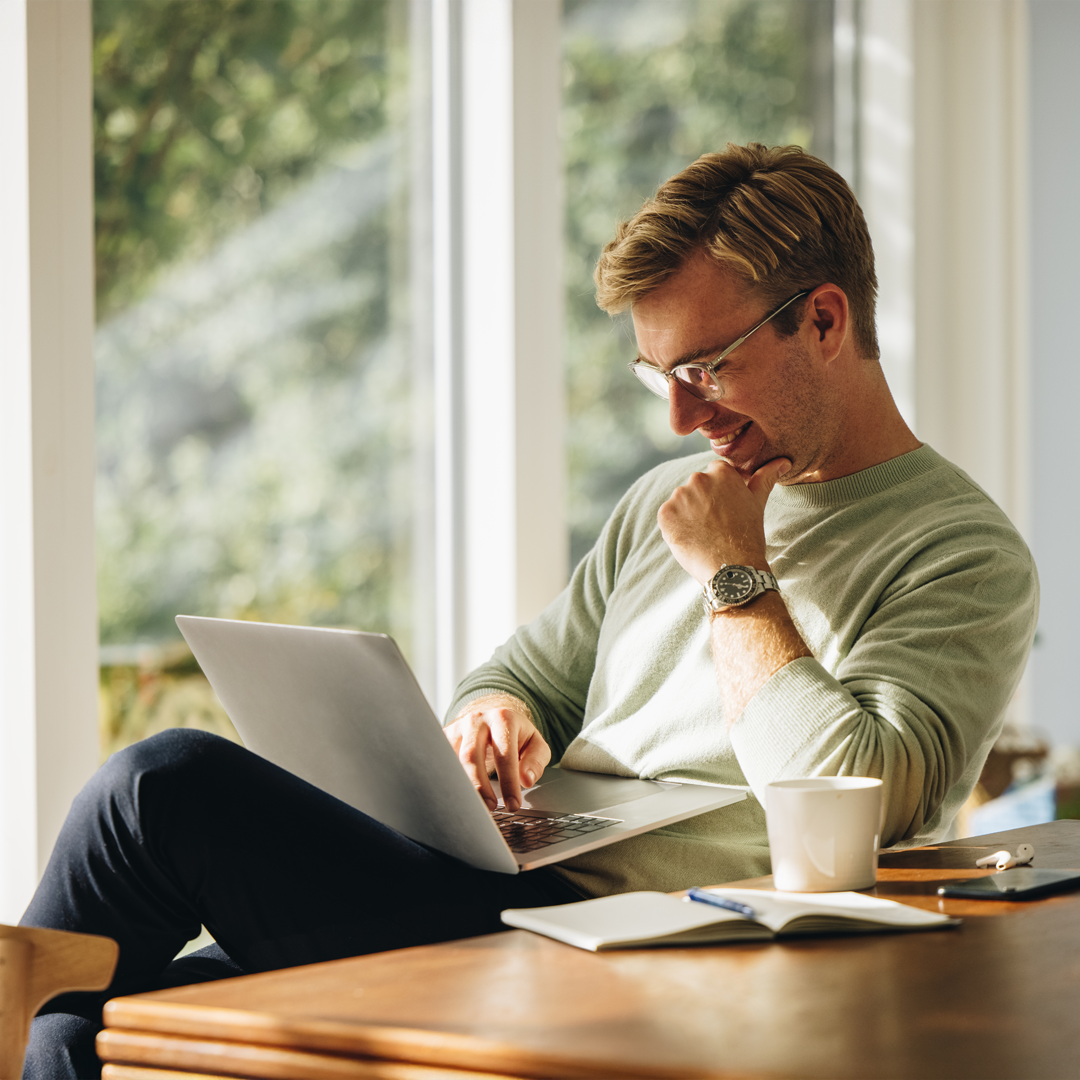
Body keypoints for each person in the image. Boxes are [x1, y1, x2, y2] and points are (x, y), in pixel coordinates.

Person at [20, 143, 1037, 1078]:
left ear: (823, 321)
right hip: (497, 889)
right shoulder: (661, 506)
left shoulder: (962, 555)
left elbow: (857, 793)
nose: (682, 418)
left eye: (706, 368)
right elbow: (525, 676)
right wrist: (491, 717)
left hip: (649, 941)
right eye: (659, 377)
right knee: (68, 1021)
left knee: (160, 789)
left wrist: (737, 575)